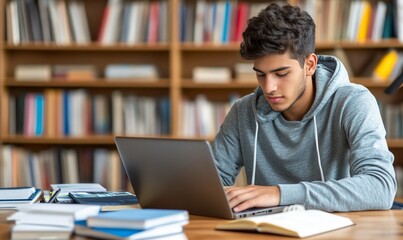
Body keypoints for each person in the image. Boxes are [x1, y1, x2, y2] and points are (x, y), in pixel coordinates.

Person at [211, 2, 396, 212]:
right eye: (261, 74)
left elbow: (381, 187)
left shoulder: (353, 102)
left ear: (309, 65)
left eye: (281, 74)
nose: (268, 87)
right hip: (266, 232)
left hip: (339, 231)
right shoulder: (243, 111)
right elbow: (209, 186)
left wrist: (279, 194)